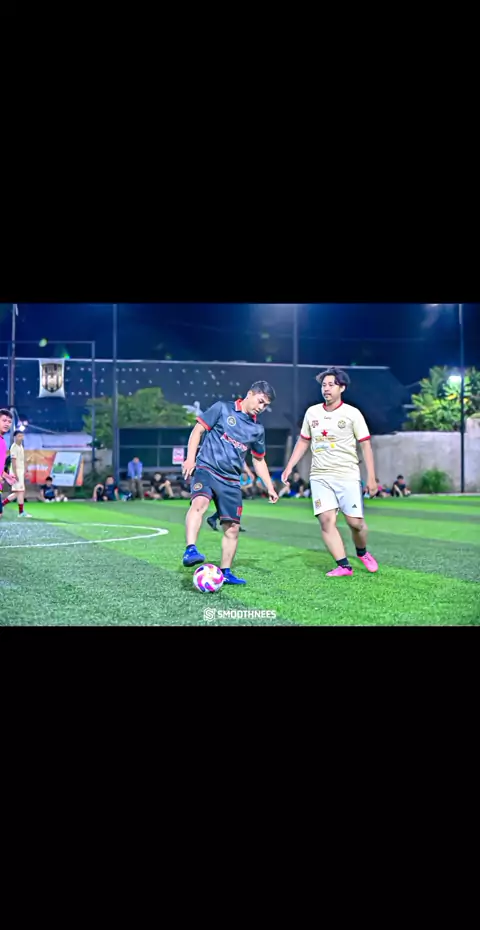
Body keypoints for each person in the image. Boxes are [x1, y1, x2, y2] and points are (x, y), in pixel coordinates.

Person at [282, 368, 379, 577]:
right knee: (326, 520)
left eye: (331, 385)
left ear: (341, 388)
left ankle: (362, 552)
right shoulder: (312, 413)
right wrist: (289, 466)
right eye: (324, 385)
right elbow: (304, 441)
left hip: (347, 475)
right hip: (320, 475)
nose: (326, 389)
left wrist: (371, 478)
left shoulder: (352, 414)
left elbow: (365, 445)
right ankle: (344, 566)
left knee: (355, 524)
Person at [181, 382, 279, 584]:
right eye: (260, 401)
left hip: (231, 480)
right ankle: (190, 550)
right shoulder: (222, 408)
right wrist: (190, 459)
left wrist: (269, 486)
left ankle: (225, 572)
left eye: (266, 405)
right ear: (250, 394)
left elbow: (258, 460)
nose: (261, 407)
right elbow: (197, 431)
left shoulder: (257, 429)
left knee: (232, 528)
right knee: (200, 503)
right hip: (207, 469)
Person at [206, 461, 255, 532]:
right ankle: (232, 523)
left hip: (229, 480)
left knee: (231, 505)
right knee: (233, 505)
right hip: (227, 481)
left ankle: (214, 519)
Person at [2, 429, 33, 517]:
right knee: (19, 492)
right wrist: (16, 474)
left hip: (20, 472)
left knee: (19, 492)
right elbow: (13, 462)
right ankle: (20, 512)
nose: (21, 437)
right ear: (15, 437)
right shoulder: (14, 447)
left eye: (22, 436)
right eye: (19, 436)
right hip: (16, 472)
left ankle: (20, 511)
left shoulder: (21, 446)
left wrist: (26, 469)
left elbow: (22, 460)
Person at [0, 409, 16, 520]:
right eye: (4, 420)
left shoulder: (2, 441)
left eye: (9, 422)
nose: (7, 424)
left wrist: (6, 476)